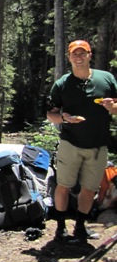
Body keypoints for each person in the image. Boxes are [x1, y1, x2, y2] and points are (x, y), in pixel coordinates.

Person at [46, 40, 117, 244]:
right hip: (70, 143)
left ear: (89, 55)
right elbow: (51, 114)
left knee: (89, 188)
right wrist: (65, 119)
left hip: (97, 145)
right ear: (69, 57)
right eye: (74, 54)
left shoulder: (106, 79)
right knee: (63, 186)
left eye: (82, 53)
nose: (78, 57)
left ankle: (80, 227)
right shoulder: (62, 84)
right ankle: (60, 228)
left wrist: (112, 108)